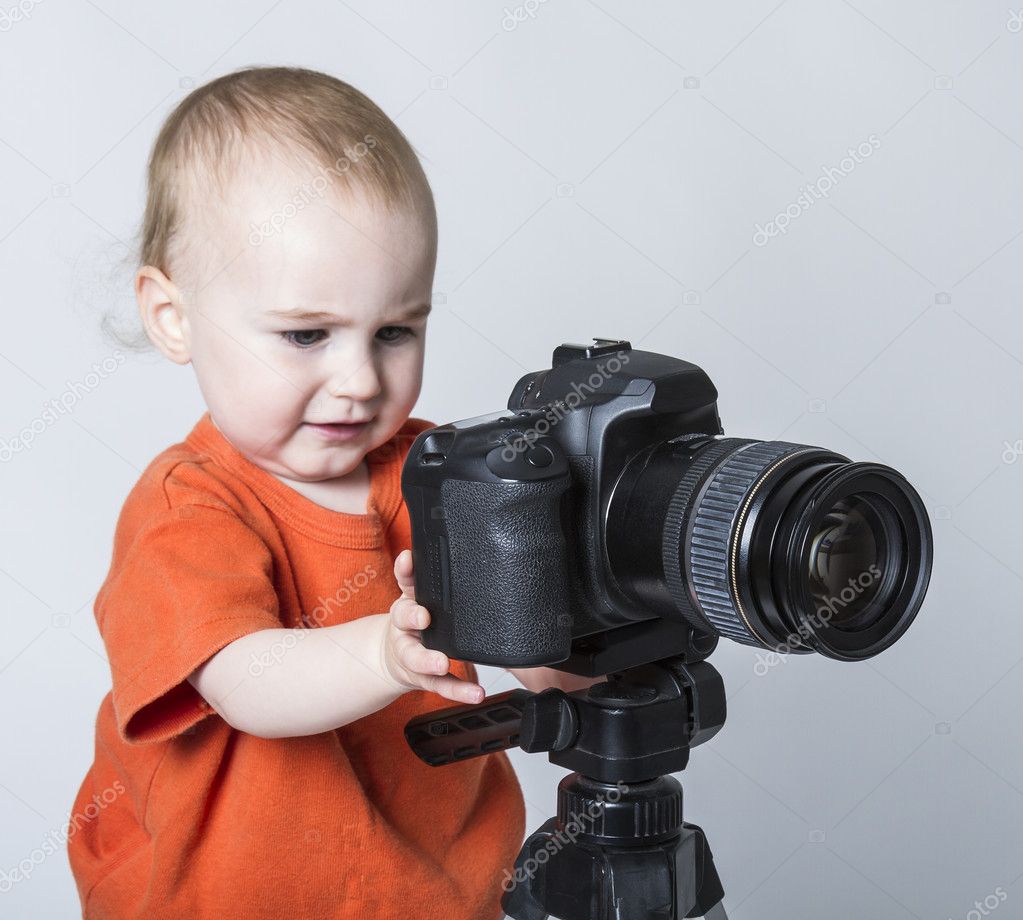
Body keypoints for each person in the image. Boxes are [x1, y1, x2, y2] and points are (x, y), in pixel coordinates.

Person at [68, 65, 591, 920]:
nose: (356, 380)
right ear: (174, 317)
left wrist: (586, 628)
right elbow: (246, 683)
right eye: (306, 334)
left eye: (394, 330)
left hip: (439, 895)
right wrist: (381, 656)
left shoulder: (439, 470)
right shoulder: (189, 506)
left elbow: (546, 663)